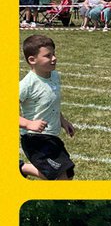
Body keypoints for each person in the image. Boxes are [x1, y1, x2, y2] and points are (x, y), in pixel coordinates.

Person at [20, 34, 77, 180]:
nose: (54, 58)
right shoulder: (27, 84)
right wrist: (28, 124)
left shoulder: (54, 76)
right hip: (35, 139)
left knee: (67, 174)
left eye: (54, 54)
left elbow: (52, 103)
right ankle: (21, 168)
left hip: (52, 136)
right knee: (59, 176)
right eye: (48, 56)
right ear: (32, 60)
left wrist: (63, 121)